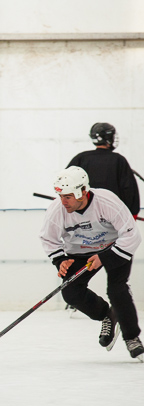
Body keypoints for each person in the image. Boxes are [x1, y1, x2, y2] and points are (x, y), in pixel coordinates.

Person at [40, 166, 143, 360]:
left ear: (82, 192)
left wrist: (105, 257)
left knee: (117, 290)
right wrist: (60, 260)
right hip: (79, 252)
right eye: (61, 196)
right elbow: (48, 239)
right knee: (71, 293)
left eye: (68, 197)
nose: (63, 202)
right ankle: (107, 315)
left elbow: (131, 236)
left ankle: (132, 338)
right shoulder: (57, 210)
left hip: (113, 248)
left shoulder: (107, 202)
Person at [68, 123, 140, 218]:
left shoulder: (81, 158)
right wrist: (132, 214)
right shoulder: (118, 160)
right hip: (112, 215)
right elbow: (129, 190)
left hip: (83, 215)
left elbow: (66, 183)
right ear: (109, 138)